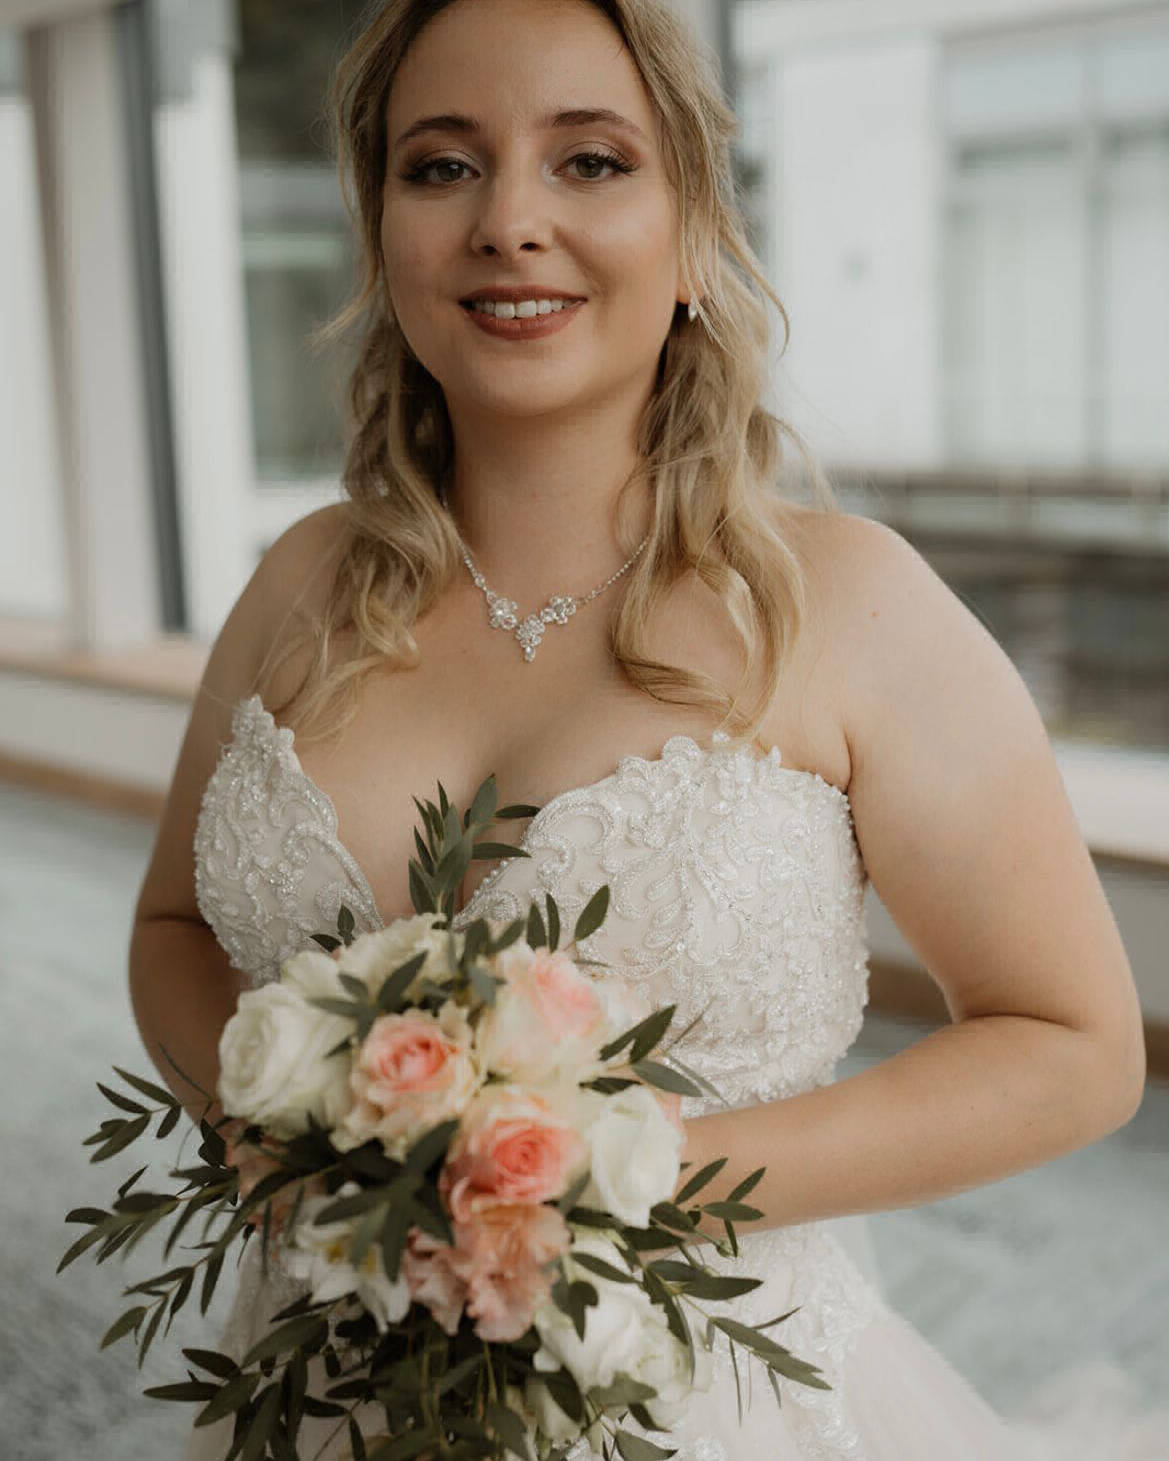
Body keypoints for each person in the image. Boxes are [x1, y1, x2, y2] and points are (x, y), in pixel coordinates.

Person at [128, 1, 1165, 1457]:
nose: (509, 221)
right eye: (441, 166)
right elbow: (173, 927)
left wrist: (608, 1178)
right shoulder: (299, 584)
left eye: (591, 161)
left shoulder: (851, 604)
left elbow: (1073, 1045)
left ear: (691, 234)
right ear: (383, 235)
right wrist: (277, 1132)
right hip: (321, 1386)